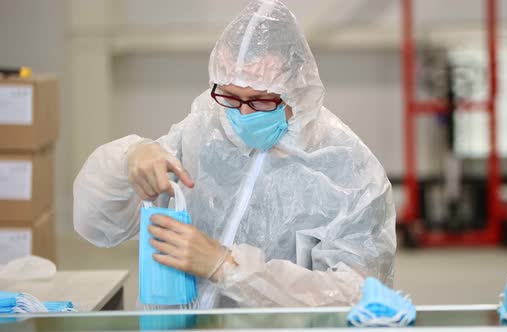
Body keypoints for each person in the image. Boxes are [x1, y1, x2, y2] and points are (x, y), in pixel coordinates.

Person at [73, 0, 396, 308]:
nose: (242, 113)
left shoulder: (347, 169)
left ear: (297, 90)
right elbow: (99, 227)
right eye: (229, 96)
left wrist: (227, 268)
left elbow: (357, 295)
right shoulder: (201, 134)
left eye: (260, 101)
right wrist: (129, 158)